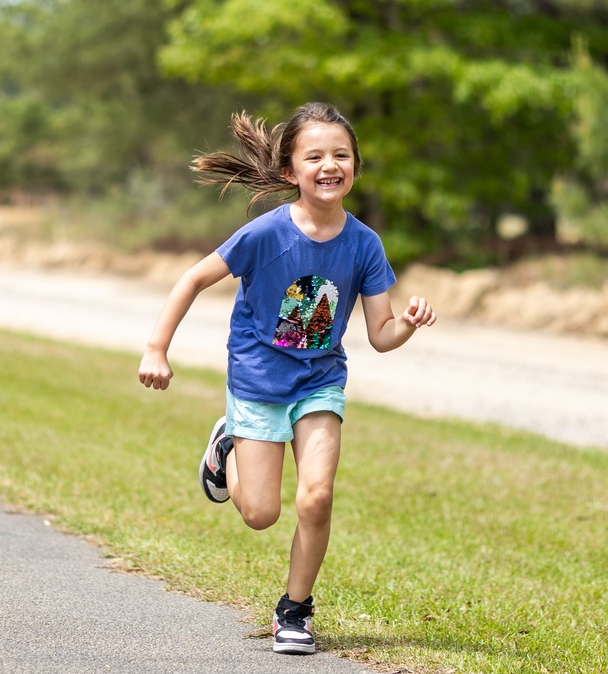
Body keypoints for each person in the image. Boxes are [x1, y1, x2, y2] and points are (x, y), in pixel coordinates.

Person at [137, 102, 436, 655]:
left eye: (341, 155)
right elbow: (193, 278)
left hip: (319, 382)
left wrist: (409, 325)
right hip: (256, 381)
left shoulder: (365, 244)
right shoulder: (266, 234)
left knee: (316, 497)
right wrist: (157, 347)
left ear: (355, 167)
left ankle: (294, 611)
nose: (330, 165)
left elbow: (380, 334)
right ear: (289, 171)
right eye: (315, 156)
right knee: (259, 514)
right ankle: (226, 442)